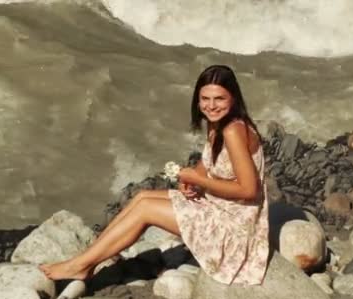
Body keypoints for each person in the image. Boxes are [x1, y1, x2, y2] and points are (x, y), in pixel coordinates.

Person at [40, 65, 269, 285]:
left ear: (234, 98)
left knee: (145, 209)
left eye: (219, 98)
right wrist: (191, 180)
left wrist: (200, 181)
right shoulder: (218, 125)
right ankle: (87, 261)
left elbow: (249, 190)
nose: (211, 106)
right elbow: (208, 163)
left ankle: (80, 266)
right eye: (205, 99)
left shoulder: (233, 130)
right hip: (221, 208)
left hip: (235, 231)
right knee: (142, 197)